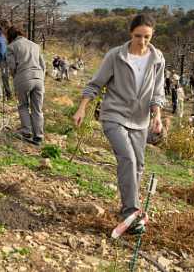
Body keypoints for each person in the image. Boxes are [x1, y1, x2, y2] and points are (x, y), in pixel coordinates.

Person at [72, 14, 165, 235]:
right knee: (128, 159)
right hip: (114, 115)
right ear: (130, 33)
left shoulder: (158, 58)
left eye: (147, 37)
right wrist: (82, 107)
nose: (142, 41)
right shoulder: (116, 56)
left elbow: (157, 92)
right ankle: (131, 212)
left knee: (139, 166)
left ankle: (128, 208)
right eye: (138, 36)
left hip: (141, 121)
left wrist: (157, 116)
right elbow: (95, 84)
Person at [5, 26, 46, 146]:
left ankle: (26, 131)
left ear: (10, 36)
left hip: (23, 77)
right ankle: (38, 136)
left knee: (23, 105)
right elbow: (43, 64)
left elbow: (12, 66)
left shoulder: (11, 47)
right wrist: (41, 77)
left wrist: (15, 77)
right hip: (39, 78)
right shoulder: (35, 45)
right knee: (37, 109)